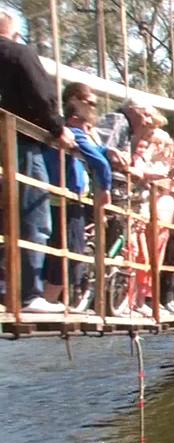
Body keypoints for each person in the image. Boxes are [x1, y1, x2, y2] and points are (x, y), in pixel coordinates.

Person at [0, 10, 76, 312]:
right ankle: (29, 294)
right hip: (19, 144)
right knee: (32, 217)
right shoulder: (18, 53)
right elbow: (41, 97)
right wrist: (58, 129)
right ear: (12, 31)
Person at [41, 83, 112, 310]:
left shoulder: (73, 132)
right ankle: (48, 301)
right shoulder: (70, 130)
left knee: (65, 253)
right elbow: (99, 162)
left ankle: (48, 300)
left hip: (66, 200)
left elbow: (97, 154)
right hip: (64, 200)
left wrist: (107, 151)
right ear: (74, 101)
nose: (93, 107)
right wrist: (105, 189)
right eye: (89, 102)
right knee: (70, 254)